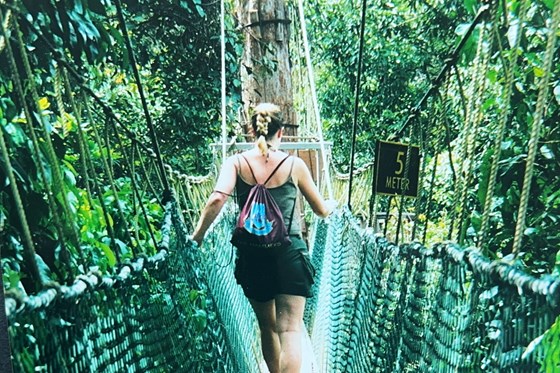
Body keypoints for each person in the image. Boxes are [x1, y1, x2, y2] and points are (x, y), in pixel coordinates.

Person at [191, 103, 335, 373]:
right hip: (290, 254)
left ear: (250, 130)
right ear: (280, 133)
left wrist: (197, 237)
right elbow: (320, 209)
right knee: (290, 329)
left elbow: (217, 198)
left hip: (254, 258)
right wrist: (331, 206)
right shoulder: (295, 165)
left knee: (267, 327)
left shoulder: (236, 162)